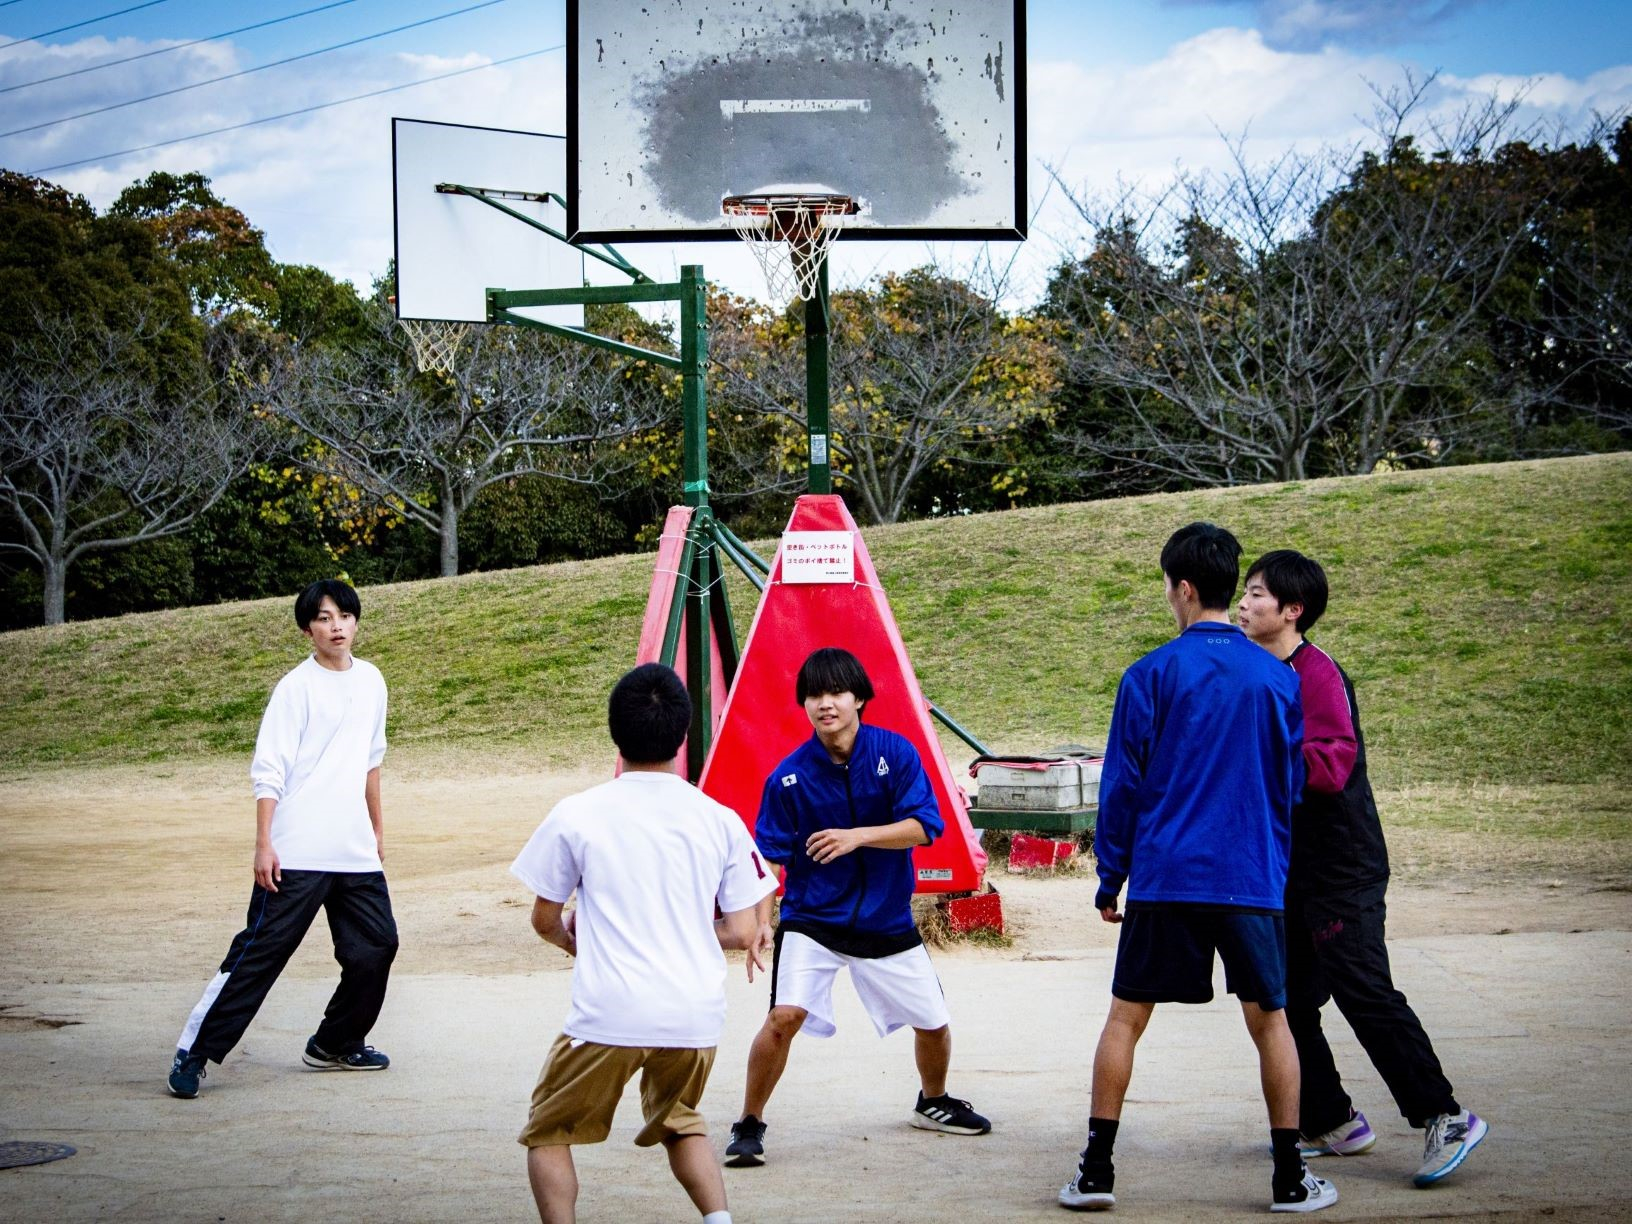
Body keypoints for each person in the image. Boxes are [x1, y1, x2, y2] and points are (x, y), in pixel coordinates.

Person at [1059, 523, 1336, 1214]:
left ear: (1183, 588)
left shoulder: (1148, 675)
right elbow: (1289, 786)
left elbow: (1122, 787)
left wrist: (1109, 877)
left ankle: (1096, 1173)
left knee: (1125, 1019)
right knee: (1272, 1022)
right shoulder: (1277, 679)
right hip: (1249, 876)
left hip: (1167, 875)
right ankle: (1289, 1180)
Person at [1236, 549, 1488, 1188]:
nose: (1245, 602)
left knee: (1361, 987)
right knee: (1282, 998)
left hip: (1341, 865)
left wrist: (1261, 758)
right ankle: (1332, 1121)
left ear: (1292, 611)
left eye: (1259, 594)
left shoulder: (1316, 674)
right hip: (1288, 868)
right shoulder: (1253, 667)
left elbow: (1329, 766)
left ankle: (1445, 1115)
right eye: (1246, 591)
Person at [510, 662, 778, 1224]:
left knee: (548, 1130)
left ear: (615, 732)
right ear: (682, 738)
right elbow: (744, 928)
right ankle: (719, 1222)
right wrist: (683, 932)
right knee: (681, 1119)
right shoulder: (718, 818)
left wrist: (580, 946)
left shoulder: (577, 813)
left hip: (609, 1012)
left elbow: (543, 918)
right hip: (694, 1015)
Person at [724, 646, 990, 1168]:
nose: (826, 704)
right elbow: (769, 859)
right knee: (783, 1017)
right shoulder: (788, 778)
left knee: (933, 1022)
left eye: (836, 693)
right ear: (804, 705)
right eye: (814, 695)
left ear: (859, 698)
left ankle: (931, 1102)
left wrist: (856, 837)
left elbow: (925, 826)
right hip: (812, 920)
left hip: (886, 920)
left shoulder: (897, 754)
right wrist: (760, 922)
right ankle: (749, 1122)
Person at [167, 578, 398, 1099]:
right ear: (306, 629)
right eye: (322, 617)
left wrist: (377, 827)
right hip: (296, 849)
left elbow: (371, 760)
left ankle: (336, 1042)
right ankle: (194, 1051)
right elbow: (268, 770)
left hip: (353, 850)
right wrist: (263, 844)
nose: (335, 625)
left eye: (343, 615)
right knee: (260, 953)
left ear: (356, 621)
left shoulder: (373, 681)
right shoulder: (295, 688)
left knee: (376, 947)